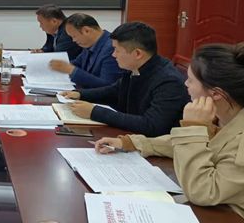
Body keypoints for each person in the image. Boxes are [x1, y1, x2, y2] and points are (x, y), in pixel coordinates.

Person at [94, 43, 244, 219]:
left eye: (190, 80)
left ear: (216, 93)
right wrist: (130, 142)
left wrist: (193, 128)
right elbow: (181, 144)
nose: (185, 84)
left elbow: (203, 191)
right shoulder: (222, 115)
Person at [60, 22, 190, 136]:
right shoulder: (136, 67)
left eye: (117, 50)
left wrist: (94, 112)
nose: (113, 55)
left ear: (137, 53)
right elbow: (115, 90)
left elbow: (151, 125)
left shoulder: (168, 81)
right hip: (131, 136)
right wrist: (80, 94)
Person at [49, 13, 123, 88]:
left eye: (74, 36)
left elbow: (108, 86)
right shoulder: (89, 44)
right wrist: (58, 66)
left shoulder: (112, 48)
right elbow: (77, 63)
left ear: (86, 31)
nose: (73, 40)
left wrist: (72, 71)